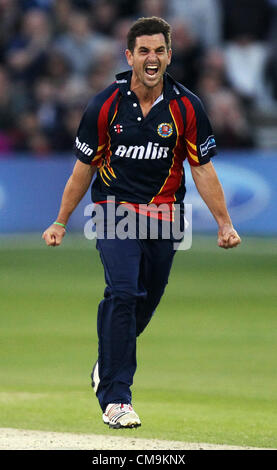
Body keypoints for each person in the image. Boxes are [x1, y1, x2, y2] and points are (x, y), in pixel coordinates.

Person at [42, 16, 241, 429]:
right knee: (124, 290)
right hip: (114, 211)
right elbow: (83, 170)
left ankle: (106, 361)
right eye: (144, 51)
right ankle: (117, 396)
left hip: (166, 217)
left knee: (143, 303)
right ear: (129, 55)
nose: (152, 58)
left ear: (170, 55)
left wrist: (224, 223)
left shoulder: (186, 106)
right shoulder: (104, 105)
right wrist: (61, 220)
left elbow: (201, 169)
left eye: (160, 50)